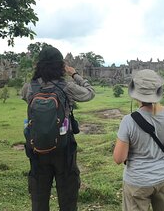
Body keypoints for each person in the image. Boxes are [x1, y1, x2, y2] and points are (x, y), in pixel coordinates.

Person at [21, 46, 95, 211]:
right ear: (60, 65)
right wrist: (74, 74)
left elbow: (24, 98)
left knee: (39, 200)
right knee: (67, 198)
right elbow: (90, 93)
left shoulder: (29, 87)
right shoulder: (66, 86)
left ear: (38, 65)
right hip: (64, 148)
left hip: (37, 148)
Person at [113, 69, 164, 211]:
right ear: (159, 91)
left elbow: (118, 158)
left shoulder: (128, 121)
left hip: (137, 182)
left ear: (135, 93)